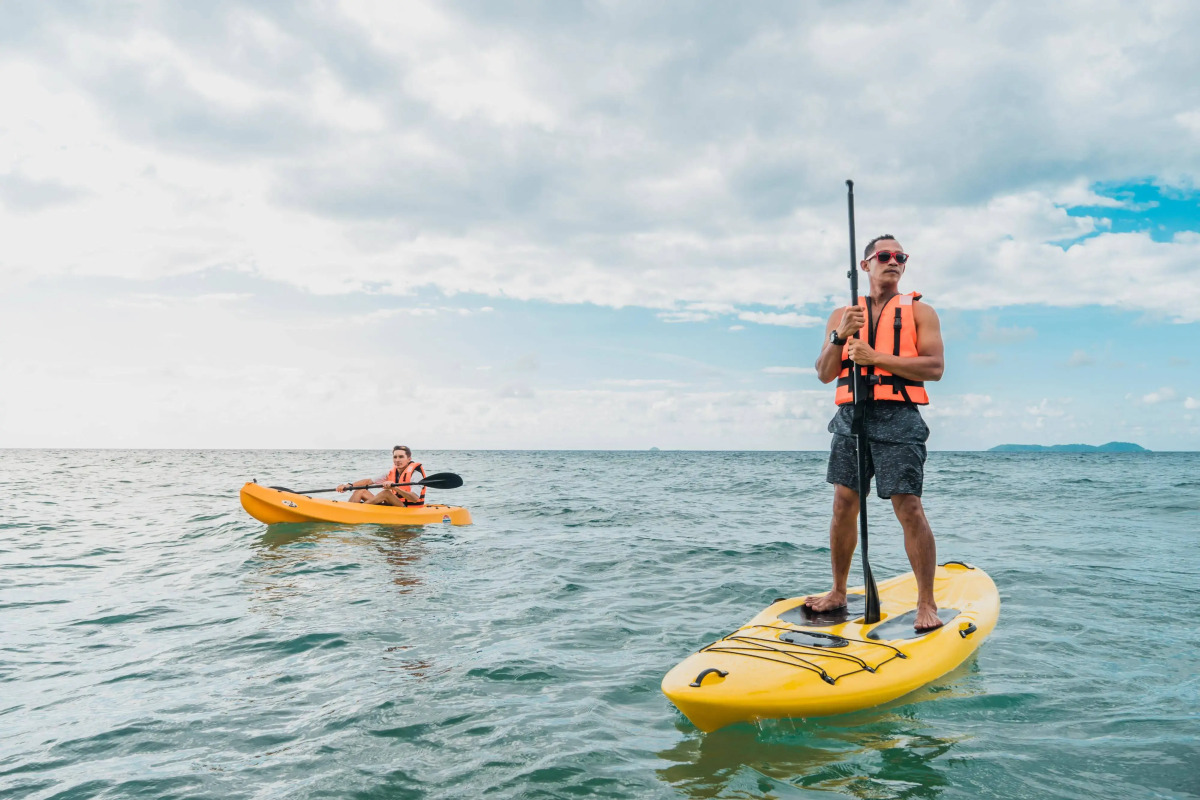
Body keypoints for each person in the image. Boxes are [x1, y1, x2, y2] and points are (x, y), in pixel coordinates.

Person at [807, 234, 946, 631]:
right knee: (843, 504)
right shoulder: (843, 314)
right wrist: (840, 337)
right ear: (865, 265)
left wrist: (875, 357)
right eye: (884, 256)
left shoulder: (921, 312)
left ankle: (926, 603)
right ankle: (837, 591)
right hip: (852, 416)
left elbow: (935, 368)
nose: (894, 261)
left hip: (899, 415)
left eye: (900, 256)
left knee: (908, 506)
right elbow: (823, 373)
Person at [336, 446, 426, 507]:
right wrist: (349, 485)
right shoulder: (390, 472)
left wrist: (395, 488)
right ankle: (350, 510)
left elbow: (414, 498)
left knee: (386, 493)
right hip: (392, 505)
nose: (397, 460)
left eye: (401, 457)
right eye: (395, 457)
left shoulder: (416, 474)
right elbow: (369, 481)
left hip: (408, 508)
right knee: (360, 490)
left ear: (409, 459)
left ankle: (358, 510)